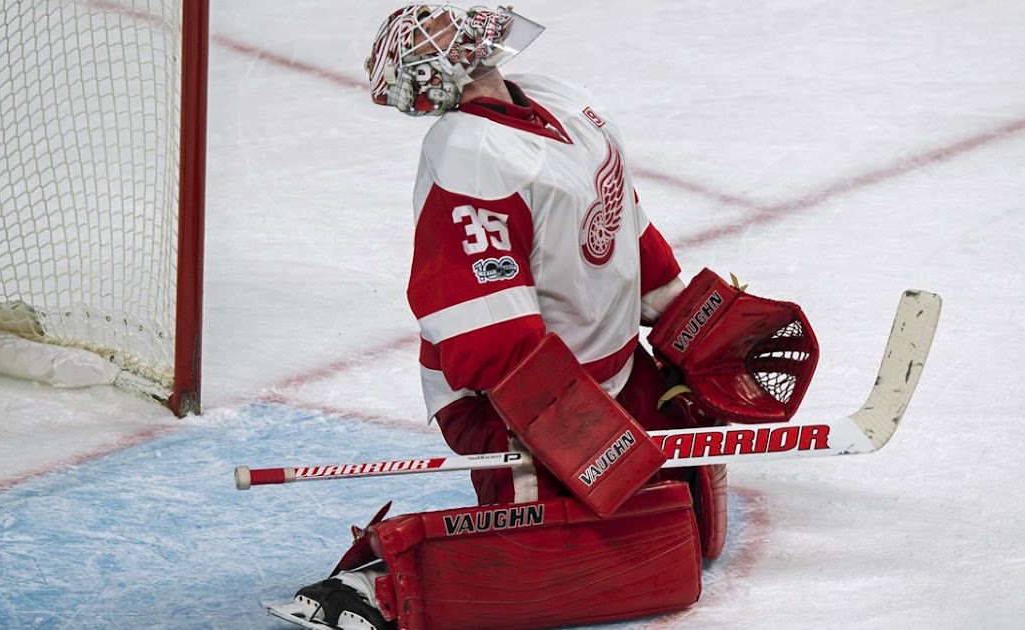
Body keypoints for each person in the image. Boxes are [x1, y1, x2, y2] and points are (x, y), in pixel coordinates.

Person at [269, 6, 730, 629]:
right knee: (548, 563)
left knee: (693, 523)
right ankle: (375, 583)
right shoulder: (467, 152)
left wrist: (683, 315)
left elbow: (619, 220)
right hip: (508, 402)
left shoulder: (568, 103)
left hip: (609, 370)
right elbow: (487, 330)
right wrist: (576, 435)